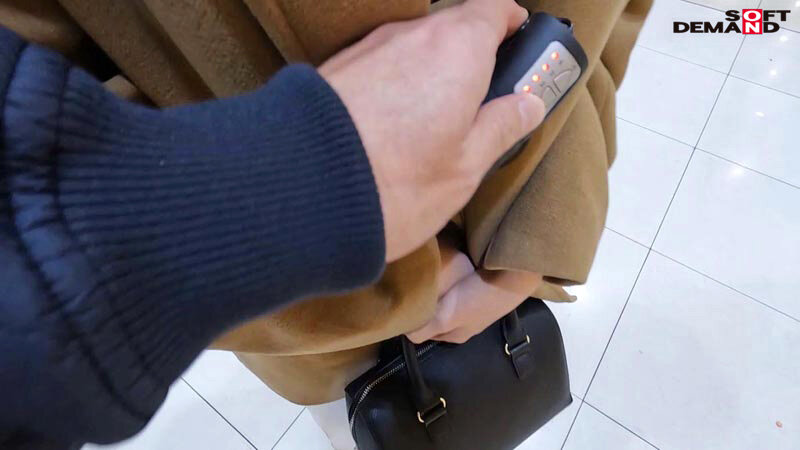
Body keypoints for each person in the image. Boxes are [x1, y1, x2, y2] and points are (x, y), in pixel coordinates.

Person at [0, 0, 547, 448]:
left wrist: (528, 251)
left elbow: (584, 20)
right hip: (312, 316)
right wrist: (305, 184)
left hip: (498, 228)